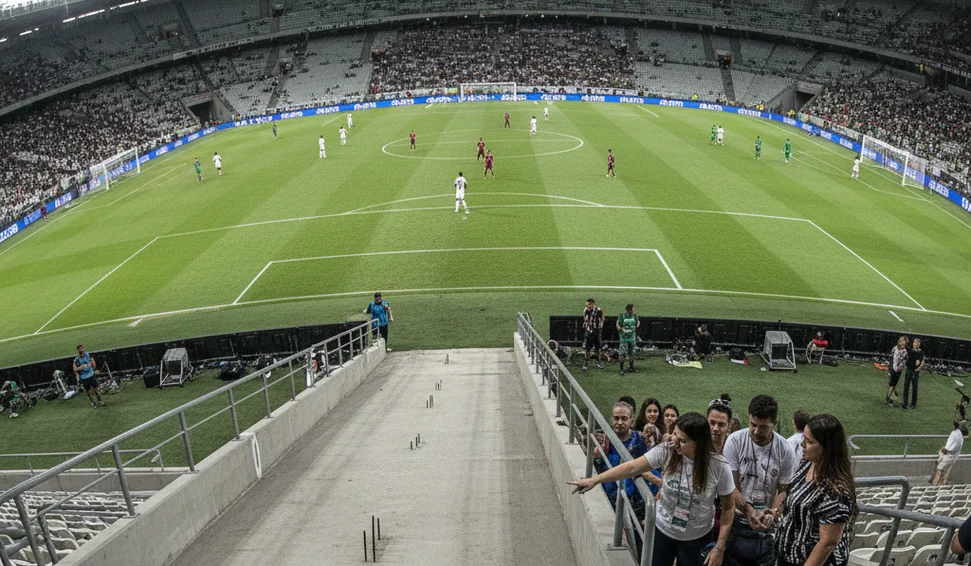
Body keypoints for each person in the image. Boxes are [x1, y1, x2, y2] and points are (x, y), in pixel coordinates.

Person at [568, 412, 735, 566]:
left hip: (697, 538)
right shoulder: (667, 451)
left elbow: (728, 508)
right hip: (662, 532)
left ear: (699, 443)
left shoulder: (719, 467)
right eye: (675, 435)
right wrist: (595, 480)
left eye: (683, 440)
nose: (675, 442)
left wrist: (719, 548)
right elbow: (632, 467)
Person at [723, 394, 797, 566]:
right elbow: (730, 486)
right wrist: (748, 510)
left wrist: (773, 512)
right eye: (753, 425)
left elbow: (784, 490)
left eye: (763, 427)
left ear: (774, 423)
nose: (756, 432)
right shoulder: (735, 441)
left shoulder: (785, 449)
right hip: (737, 520)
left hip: (767, 524)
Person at [775, 414, 856, 566]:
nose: (802, 444)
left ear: (827, 448)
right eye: (804, 438)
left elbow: (827, 543)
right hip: (788, 554)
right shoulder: (808, 463)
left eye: (810, 441)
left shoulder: (836, 491)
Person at [592, 402, 649, 519]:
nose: (619, 422)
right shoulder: (605, 439)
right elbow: (597, 466)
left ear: (631, 420)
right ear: (611, 419)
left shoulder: (639, 439)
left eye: (624, 418)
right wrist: (599, 454)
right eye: (616, 418)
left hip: (634, 496)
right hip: (610, 491)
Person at [933, 421, 965, 485]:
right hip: (954, 455)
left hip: (950, 455)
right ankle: (943, 484)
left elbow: (950, 446)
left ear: (955, 426)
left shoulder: (955, 435)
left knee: (940, 469)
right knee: (946, 470)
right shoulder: (959, 434)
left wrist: (945, 449)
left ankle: (935, 484)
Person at [73, 344, 104, 408]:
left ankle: (100, 400)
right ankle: (93, 403)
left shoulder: (88, 355)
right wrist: (81, 368)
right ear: (77, 350)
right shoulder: (76, 360)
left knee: (96, 389)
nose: (81, 350)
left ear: (83, 349)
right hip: (84, 378)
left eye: (82, 348)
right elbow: (75, 369)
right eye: (79, 349)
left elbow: (93, 364)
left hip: (91, 375)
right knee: (89, 391)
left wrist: (93, 370)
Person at [581, 298, 605, 371]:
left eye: (589, 304)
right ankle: (586, 363)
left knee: (598, 348)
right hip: (589, 332)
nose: (588, 306)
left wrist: (601, 312)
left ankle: (598, 362)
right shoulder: (586, 310)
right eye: (587, 304)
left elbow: (603, 319)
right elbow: (585, 320)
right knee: (587, 348)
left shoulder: (598, 310)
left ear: (592, 304)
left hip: (597, 332)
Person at [616, 303, 639, 375]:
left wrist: (636, 326)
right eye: (633, 308)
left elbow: (637, 322)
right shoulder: (622, 316)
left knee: (632, 353)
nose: (634, 310)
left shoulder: (634, 316)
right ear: (629, 310)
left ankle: (631, 367)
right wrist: (619, 328)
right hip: (624, 339)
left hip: (632, 339)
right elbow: (618, 324)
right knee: (622, 354)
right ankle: (621, 369)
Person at [902, 338, 924, 409]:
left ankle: (913, 404)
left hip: (915, 371)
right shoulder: (910, 351)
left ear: (919, 344)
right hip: (909, 370)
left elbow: (922, 361)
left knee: (915, 388)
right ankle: (905, 404)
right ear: (913, 343)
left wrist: (919, 368)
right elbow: (906, 347)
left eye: (918, 343)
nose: (916, 344)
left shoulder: (920, 352)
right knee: (906, 387)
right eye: (915, 342)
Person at [887, 336, 908, 406]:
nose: (903, 343)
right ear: (899, 342)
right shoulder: (895, 349)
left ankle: (892, 394)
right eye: (902, 341)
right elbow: (891, 358)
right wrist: (890, 369)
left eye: (904, 342)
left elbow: (905, 359)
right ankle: (888, 398)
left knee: (894, 384)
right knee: (892, 384)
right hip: (893, 369)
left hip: (899, 370)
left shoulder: (905, 351)